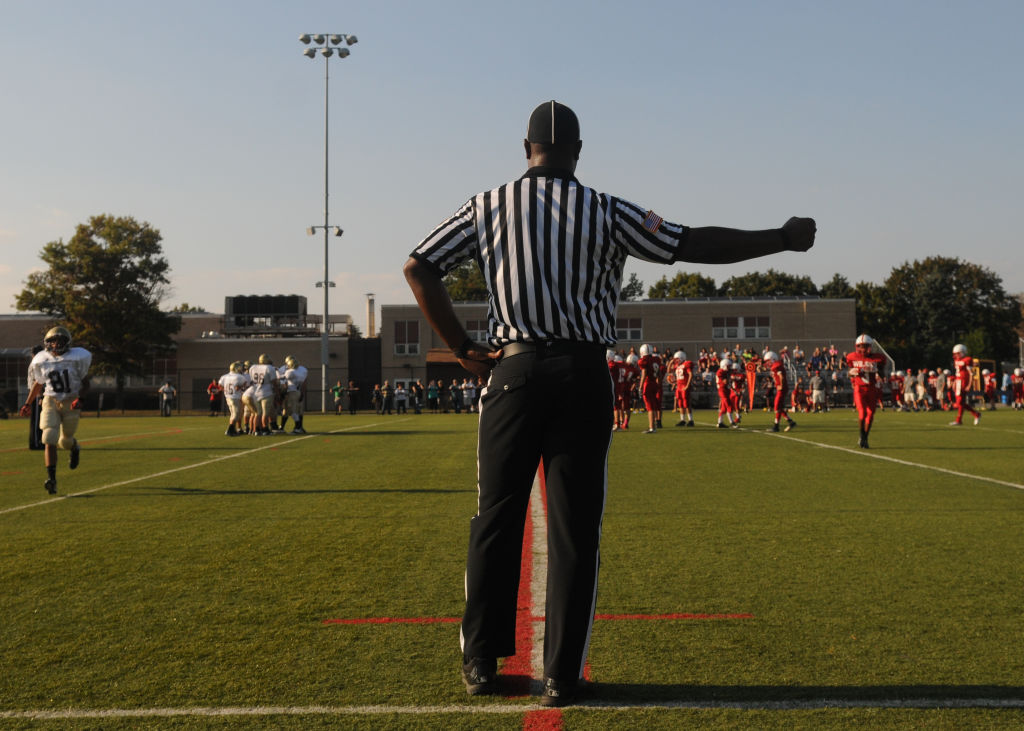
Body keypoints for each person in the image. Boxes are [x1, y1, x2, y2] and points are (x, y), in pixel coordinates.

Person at [403, 99, 815, 706]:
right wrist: (777, 238)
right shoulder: (604, 209)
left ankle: (481, 664)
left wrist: (462, 346)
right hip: (581, 373)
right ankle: (561, 676)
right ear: (578, 152)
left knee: (496, 517)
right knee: (574, 529)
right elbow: (691, 243)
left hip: (513, 371)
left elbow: (419, 267)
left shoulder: (488, 204)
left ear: (525, 151)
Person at [19, 326, 92, 495]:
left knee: (65, 442)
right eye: (53, 341)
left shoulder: (76, 358)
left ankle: (74, 448)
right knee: (49, 436)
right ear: (47, 343)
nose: (56, 344)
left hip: (70, 401)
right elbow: (38, 383)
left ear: (67, 343)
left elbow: (86, 384)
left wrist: (80, 399)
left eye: (60, 341)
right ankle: (52, 479)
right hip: (50, 400)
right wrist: (27, 403)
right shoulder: (42, 360)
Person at [846, 334, 886, 448]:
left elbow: (882, 374)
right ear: (857, 347)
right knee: (862, 413)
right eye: (861, 346)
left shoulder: (878, 358)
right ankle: (862, 436)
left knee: (871, 414)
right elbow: (848, 372)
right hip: (859, 388)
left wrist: (876, 369)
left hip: (872, 388)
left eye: (865, 346)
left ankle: (865, 438)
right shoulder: (851, 357)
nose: (863, 349)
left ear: (870, 346)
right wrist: (853, 372)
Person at [765, 351, 797, 432]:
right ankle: (790, 422)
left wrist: (781, 386)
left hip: (782, 389)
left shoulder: (777, 366)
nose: (767, 363)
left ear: (772, 359)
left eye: (768, 361)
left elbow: (781, 376)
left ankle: (776, 426)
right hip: (781, 388)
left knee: (776, 406)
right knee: (779, 407)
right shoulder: (775, 366)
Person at [949, 343, 981, 426]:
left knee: (959, 402)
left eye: (957, 353)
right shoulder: (957, 360)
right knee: (961, 402)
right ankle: (962, 419)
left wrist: (969, 384)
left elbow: (971, 373)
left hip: (963, 382)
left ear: (962, 352)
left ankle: (972, 415)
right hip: (958, 382)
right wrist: (954, 382)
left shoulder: (967, 359)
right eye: (955, 353)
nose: (956, 355)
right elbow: (958, 372)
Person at [248, 354, 279, 435]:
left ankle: (256, 430)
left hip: (255, 393)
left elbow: (252, 380)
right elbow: (274, 382)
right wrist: (277, 392)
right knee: (265, 413)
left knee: (258, 413)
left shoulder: (253, 367)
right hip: (266, 393)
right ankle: (265, 429)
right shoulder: (269, 368)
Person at [637, 344, 664, 433]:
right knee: (652, 406)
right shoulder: (656, 359)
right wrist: (658, 383)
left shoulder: (644, 360)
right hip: (654, 384)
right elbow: (659, 373)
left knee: (650, 407)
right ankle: (653, 427)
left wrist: (640, 387)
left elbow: (644, 373)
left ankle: (652, 427)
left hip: (648, 384)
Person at [280, 355, 308, 433]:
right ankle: (298, 427)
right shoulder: (301, 371)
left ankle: (298, 427)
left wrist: (282, 392)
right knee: (296, 411)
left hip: (291, 392)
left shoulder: (290, 372)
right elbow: (303, 382)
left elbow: (283, 382)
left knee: (292, 411)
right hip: (298, 392)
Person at [218, 361, 248, 436]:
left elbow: (220, 385)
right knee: (236, 415)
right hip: (235, 397)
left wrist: (225, 390)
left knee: (233, 414)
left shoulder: (224, 376)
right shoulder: (239, 377)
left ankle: (233, 430)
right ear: (237, 369)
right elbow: (244, 384)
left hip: (228, 397)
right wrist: (240, 387)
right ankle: (230, 430)